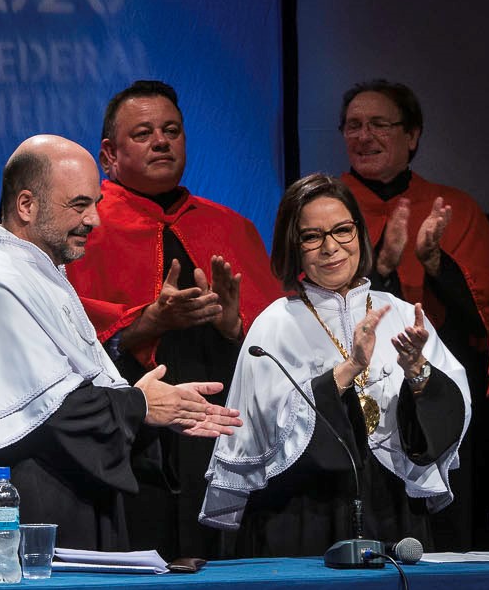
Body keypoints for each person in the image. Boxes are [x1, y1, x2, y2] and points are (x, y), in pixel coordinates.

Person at [0, 136, 239, 549]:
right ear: (26, 205)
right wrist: (141, 405)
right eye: (79, 205)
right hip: (35, 510)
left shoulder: (42, 276)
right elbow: (45, 414)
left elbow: (75, 394)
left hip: (70, 496)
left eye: (96, 203)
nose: (95, 220)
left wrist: (153, 407)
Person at [65, 80, 283, 558]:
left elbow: (277, 343)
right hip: (132, 442)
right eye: (143, 133)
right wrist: (150, 324)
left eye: (172, 130)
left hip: (225, 433)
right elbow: (67, 348)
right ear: (108, 152)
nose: (161, 141)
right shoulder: (84, 230)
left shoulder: (230, 226)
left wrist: (234, 329)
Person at [201, 173, 469, 556]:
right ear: (293, 247)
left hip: (391, 506)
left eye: (342, 230)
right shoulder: (273, 325)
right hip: (304, 514)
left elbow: (449, 419)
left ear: (359, 233)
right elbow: (269, 437)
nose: (331, 247)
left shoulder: (405, 314)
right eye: (312, 236)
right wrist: (349, 368)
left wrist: (418, 373)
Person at [338, 78, 489, 547]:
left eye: (379, 124)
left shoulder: (454, 207)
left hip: (434, 388)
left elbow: (484, 319)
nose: (363, 135)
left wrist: (434, 263)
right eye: (353, 125)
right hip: (350, 385)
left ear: (412, 136)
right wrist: (383, 269)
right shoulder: (323, 205)